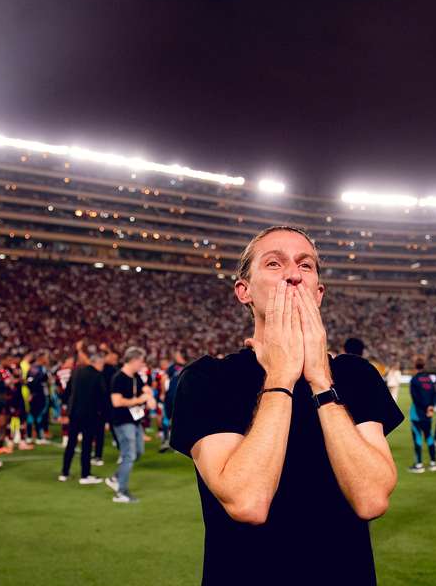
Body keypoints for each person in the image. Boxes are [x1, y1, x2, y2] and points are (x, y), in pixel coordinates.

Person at [170, 226, 403, 586]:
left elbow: (371, 499)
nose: (293, 274)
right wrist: (281, 375)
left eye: (305, 266)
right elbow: (248, 501)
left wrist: (321, 381)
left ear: (319, 293)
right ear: (244, 291)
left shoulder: (355, 376)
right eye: (274, 264)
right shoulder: (207, 380)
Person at [104, 347, 156, 503]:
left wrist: (150, 396)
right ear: (133, 361)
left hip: (134, 421)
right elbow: (116, 401)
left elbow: (146, 389)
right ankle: (121, 493)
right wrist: (140, 400)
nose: (142, 364)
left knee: (138, 452)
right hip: (122, 422)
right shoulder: (118, 378)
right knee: (129, 455)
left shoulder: (135, 377)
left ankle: (115, 478)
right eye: (141, 361)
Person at [60, 346, 108, 484]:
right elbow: (102, 397)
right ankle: (85, 475)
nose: (103, 367)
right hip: (90, 415)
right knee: (86, 445)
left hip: (74, 413)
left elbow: (67, 392)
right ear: (97, 363)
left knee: (71, 443)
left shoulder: (76, 372)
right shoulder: (97, 375)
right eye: (102, 364)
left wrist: (67, 407)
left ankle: (64, 472)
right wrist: (105, 416)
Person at [408, 357, 436, 473]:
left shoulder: (414, 380)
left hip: (417, 414)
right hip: (428, 413)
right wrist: (431, 407)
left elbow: (415, 398)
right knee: (429, 437)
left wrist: (425, 407)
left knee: (418, 438)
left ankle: (419, 465)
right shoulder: (429, 379)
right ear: (424, 365)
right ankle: (433, 463)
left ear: (415, 366)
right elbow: (435, 394)